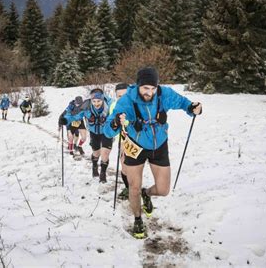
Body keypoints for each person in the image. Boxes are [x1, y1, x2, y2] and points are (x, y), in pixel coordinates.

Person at [104, 67, 202, 239]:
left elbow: (183, 103)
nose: (149, 92)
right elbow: (108, 129)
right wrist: (115, 125)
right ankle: (137, 219)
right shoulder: (127, 100)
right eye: (145, 88)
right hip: (136, 147)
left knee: (163, 190)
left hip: (159, 145)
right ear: (138, 85)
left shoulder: (164, 94)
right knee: (133, 187)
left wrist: (192, 107)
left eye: (153, 88)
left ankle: (146, 194)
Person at [60, 88, 112, 183]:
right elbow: (76, 116)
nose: (96, 103)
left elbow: (118, 112)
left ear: (102, 98)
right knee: (96, 153)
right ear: (91, 100)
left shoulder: (109, 106)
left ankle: (103, 173)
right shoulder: (86, 107)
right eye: (94, 101)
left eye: (99, 101)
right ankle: (94, 165)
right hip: (94, 133)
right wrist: (65, 120)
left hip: (107, 132)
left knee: (105, 154)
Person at [109, 83, 130, 200]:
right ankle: (128, 187)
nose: (122, 99)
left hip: (138, 140)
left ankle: (135, 188)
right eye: (119, 96)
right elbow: (110, 123)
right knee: (124, 166)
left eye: (125, 95)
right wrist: (114, 123)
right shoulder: (113, 106)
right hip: (122, 139)